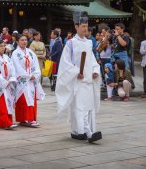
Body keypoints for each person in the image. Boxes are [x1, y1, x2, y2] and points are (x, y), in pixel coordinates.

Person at [56, 11, 102, 143]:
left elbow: (92, 60)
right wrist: (76, 72)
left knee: (88, 107)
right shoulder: (71, 43)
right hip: (77, 81)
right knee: (79, 108)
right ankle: (84, 132)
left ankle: (86, 131)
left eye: (86, 26)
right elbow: (65, 63)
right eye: (82, 26)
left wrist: (95, 70)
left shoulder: (88, 43)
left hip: (88, 81)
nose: (85, 28)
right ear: (76, 27)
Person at [12, 34, 45, 127]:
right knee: (22, 100)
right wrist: (27, 76)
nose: (24, 42)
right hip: (22, 80)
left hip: (31, 80)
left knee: (30, 99)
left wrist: (35, 74)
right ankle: (22, 119)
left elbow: (35, 65)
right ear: (17, 42)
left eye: (25, 40)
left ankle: (31, 119)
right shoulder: (15, 53)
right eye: (22, 40)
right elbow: (16, 67)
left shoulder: (30, 52)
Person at [141, 29, 146, 98]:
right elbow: (141, 52)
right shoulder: (143, 42)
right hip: (145, 62)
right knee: (145, 78)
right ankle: (145, 92)